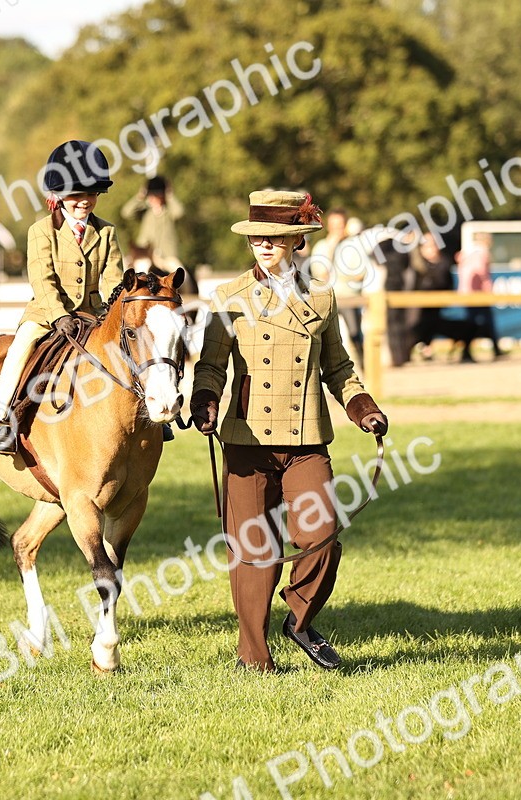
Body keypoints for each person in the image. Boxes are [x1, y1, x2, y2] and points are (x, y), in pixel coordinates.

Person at [190, 190, 388, 672]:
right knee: (254, 550)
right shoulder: (228, 298)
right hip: (246, 441)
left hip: (305, 442)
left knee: (322, 536)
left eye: (274, 237)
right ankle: (254, 658)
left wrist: (362, 407)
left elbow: (338, 366)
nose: (263, 244)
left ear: (297, 240)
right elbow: (211, 366)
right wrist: (205, 400)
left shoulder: (321, 297)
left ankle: (299, 621)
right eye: (257, 236)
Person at [0, 140, 125, 454]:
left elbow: (116, 281)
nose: (85, 202)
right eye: (76, 195)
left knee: (131, 347)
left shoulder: (107, 233)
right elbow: (42, 279)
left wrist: (112, 314)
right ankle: (1, 420)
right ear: (59, 196)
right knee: (19, 350)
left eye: (91, 194)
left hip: (93, 315)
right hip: (47, 314)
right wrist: (59, 314)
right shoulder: (41, 231)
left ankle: (151, 414)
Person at [308, 208, 366, 362]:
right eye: (334, 225)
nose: (337, 229)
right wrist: (331, 249)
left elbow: (361, 274)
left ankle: (364, 367)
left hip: (349, 297)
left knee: (355, 334)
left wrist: (346, 277)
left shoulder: (354, 246)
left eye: (340, 225)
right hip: (326, 298)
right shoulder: (320, 247)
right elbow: (320, 276)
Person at [121, 175, 190, 287]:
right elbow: (126, 212)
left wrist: (169, 195)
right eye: (151, 196)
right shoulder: (145, 211)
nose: (153, 198)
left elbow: (180, 212)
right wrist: (140, 196)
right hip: (143, 254)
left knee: (184, 278)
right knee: (122, 268)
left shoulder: (169, 212)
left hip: (165, 256)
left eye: (157, 196)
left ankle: (188, 299)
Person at [456, 231, 506, 362]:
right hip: (479, 294)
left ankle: (469, 350)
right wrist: (487, 288)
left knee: (473, 323)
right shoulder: (482, 252)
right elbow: (481, 271)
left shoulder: (467, 252)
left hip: (467, 293)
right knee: (483, 323)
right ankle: (491, 349)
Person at [411, 233, 456, 359]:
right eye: (426, 246)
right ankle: (422, 348)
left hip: (438, 305)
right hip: (419, 306)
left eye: (432, 245)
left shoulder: (444, 263)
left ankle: (426, 348)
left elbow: (446, 284)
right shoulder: (417, 264)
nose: (430, 248)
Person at [375, 230, 416, 367]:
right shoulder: (402, 250)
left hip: (385, 290)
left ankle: (395, 358)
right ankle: (401, 357)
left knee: (390, 325)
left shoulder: (384, 247)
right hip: (399, 289)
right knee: (400, 324)